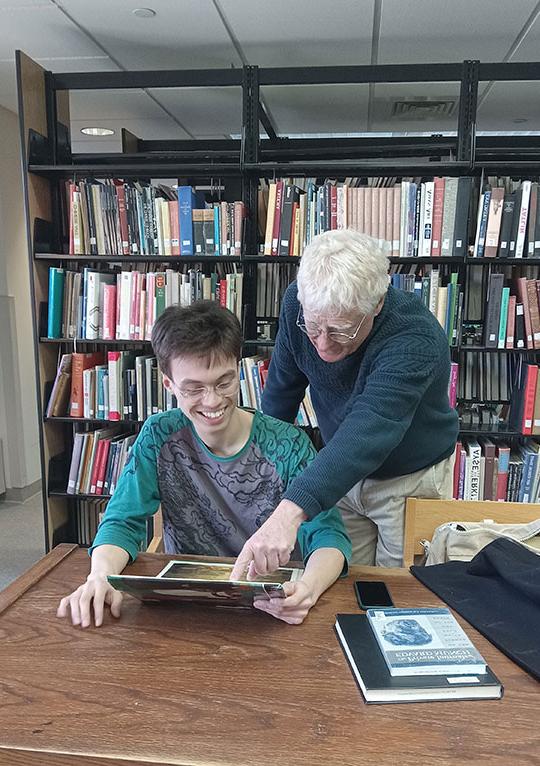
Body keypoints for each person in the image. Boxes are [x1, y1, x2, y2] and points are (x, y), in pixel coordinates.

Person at [57, 301, 350, 628]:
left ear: (238, 369)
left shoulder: (289, 444)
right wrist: (100, 576)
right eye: (194, 389)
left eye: (224, 383)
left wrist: (307, 589)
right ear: (168, 383)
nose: (212, 401)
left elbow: (330, 537)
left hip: (272, 610)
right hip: (186, 610)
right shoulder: (159, 435)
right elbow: (123, 521)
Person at [230, 229, 458, 576]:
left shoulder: (416, 338)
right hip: (340, 477)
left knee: (399, 591)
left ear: (377, 305)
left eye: (341, 331)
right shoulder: (298, 304)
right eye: (314, 326)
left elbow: (368, 429)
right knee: (342, 580)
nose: (322, 345)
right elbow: (281, 391)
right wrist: (262, 469)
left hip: (409, 480)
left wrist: (290, 510)